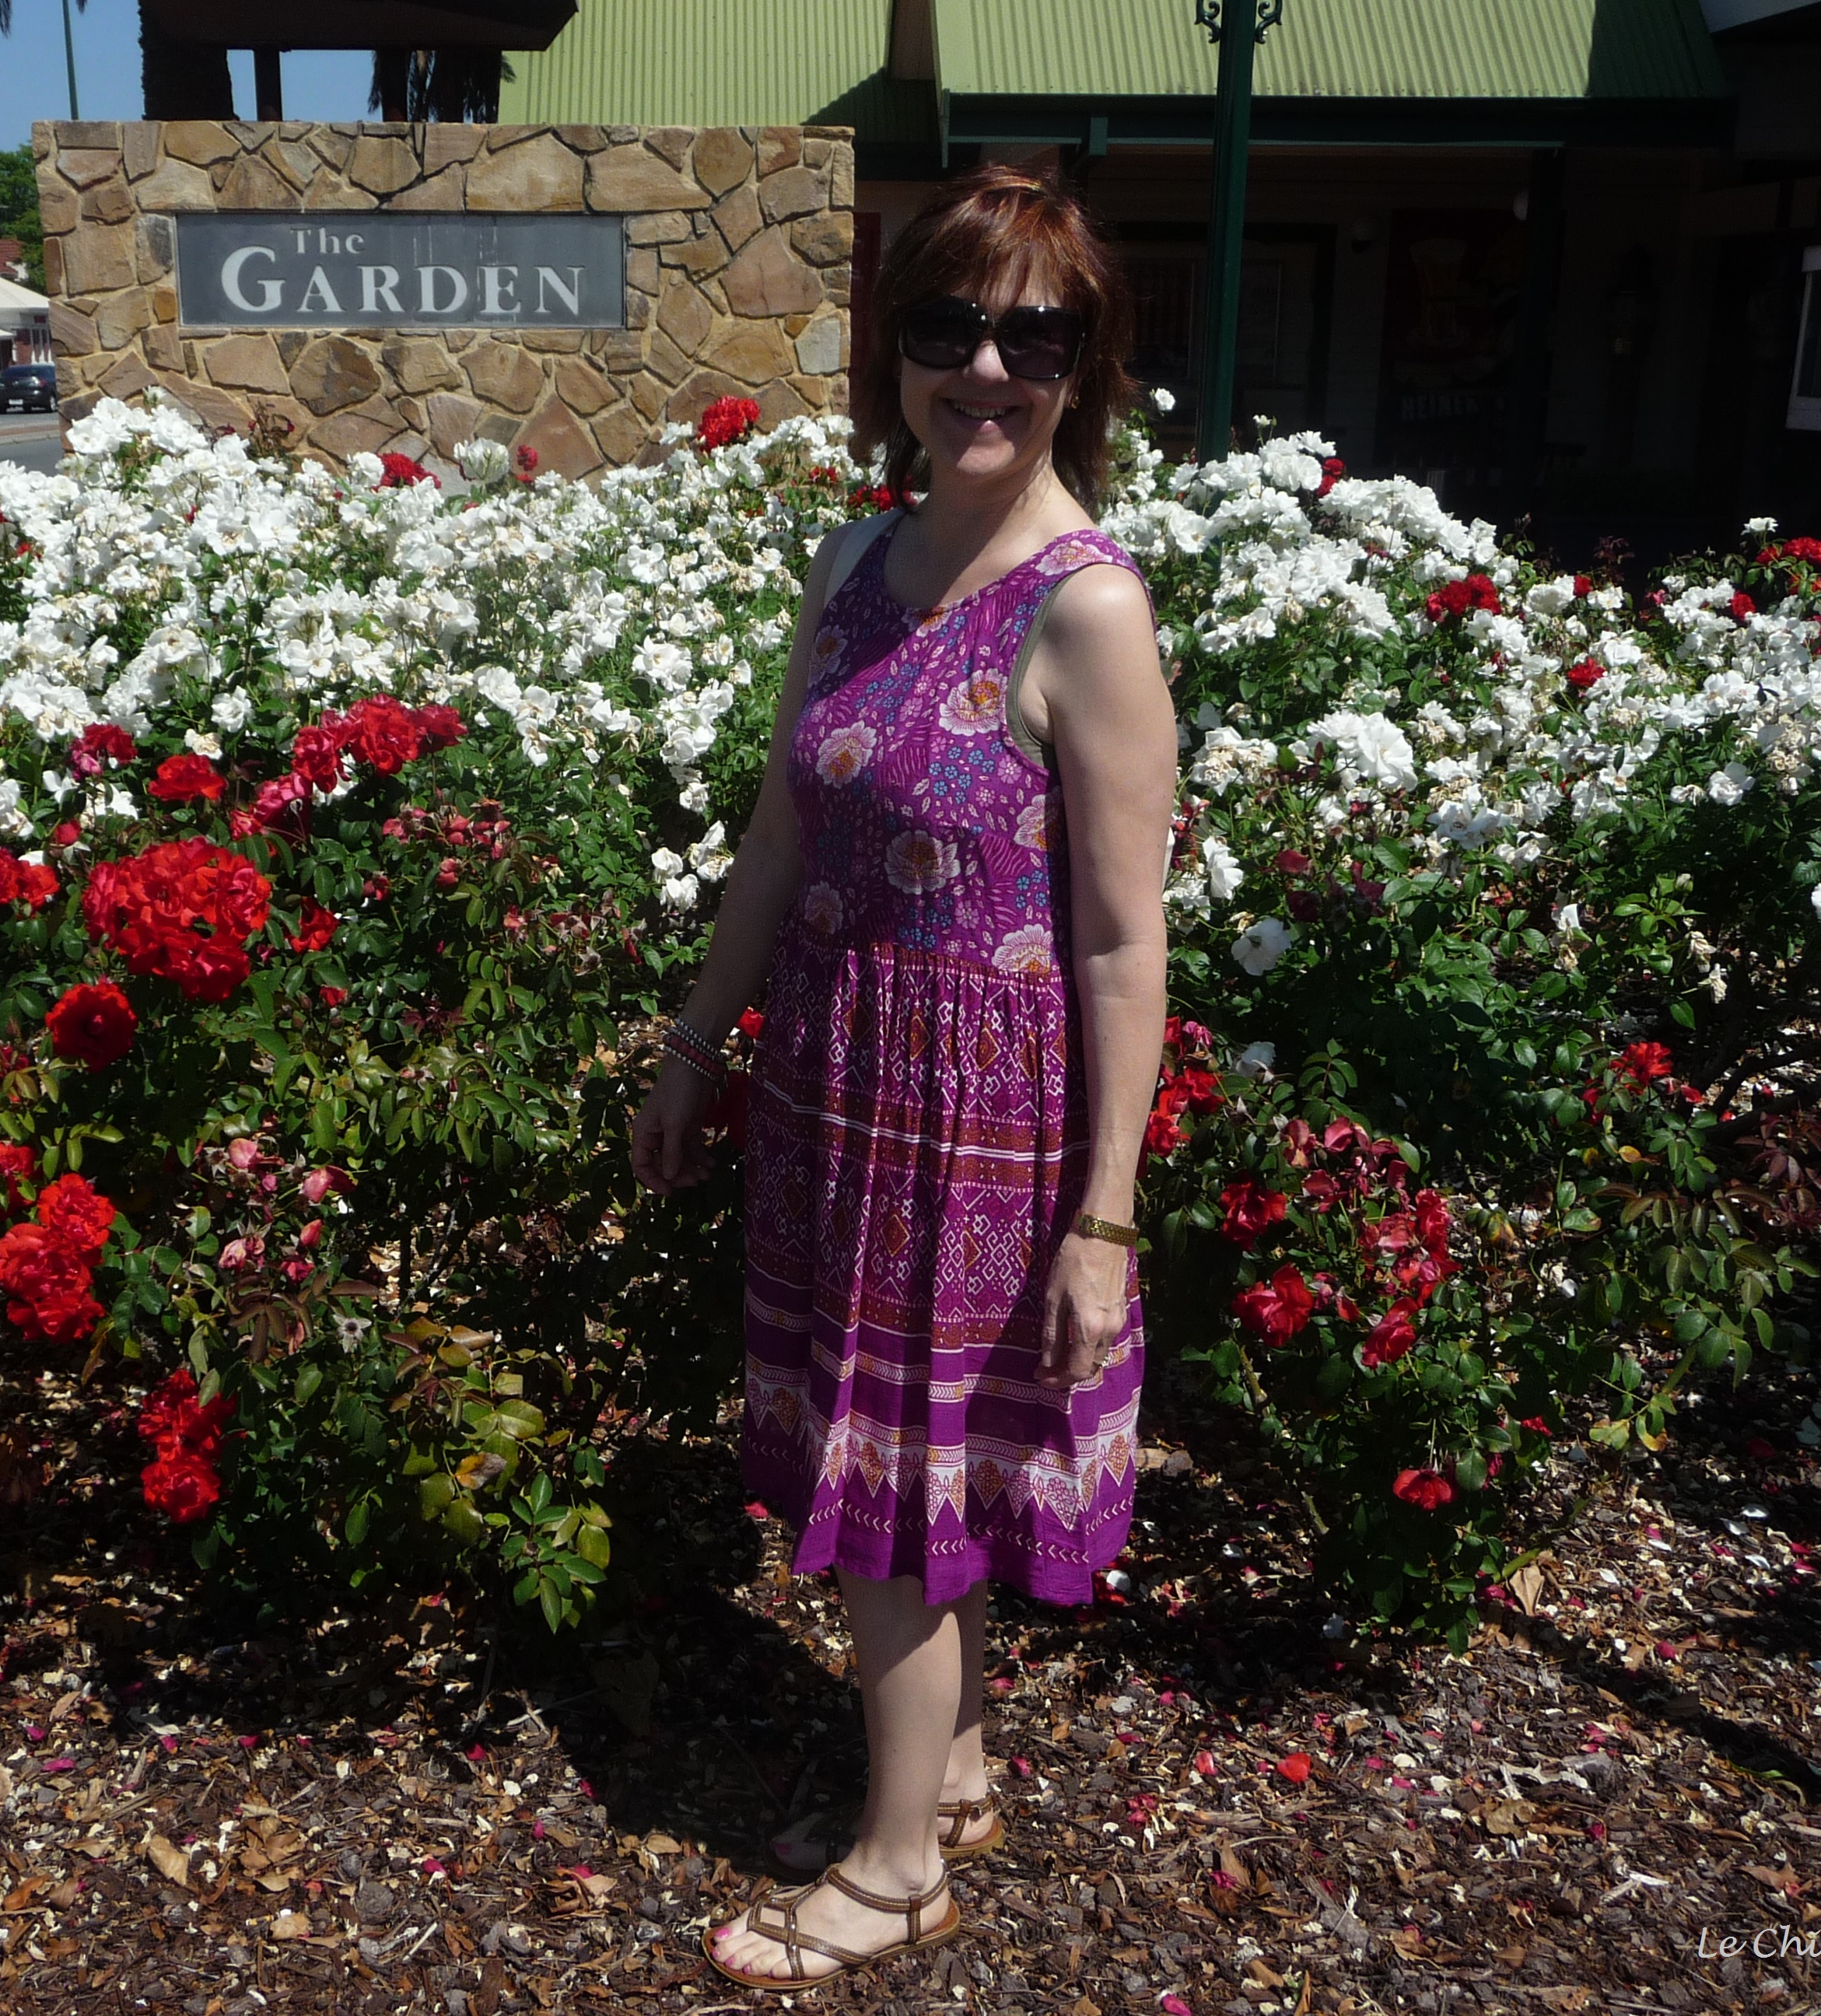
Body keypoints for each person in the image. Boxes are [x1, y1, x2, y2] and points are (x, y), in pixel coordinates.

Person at [629, 164, 1178, 1989]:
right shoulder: (857, 567)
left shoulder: (1085, 610)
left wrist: (1105, 1218)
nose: (987, 370)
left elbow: (1123, 944)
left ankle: (895, 1869)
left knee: (896, 1489)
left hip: (979, 1131)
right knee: (905, 1469)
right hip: (836, 1086)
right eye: (948, 327)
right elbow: (781, 832)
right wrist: (696, 1045)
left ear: (1086, 368)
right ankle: (947, 1772)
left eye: (1038, 337)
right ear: (896, 353)